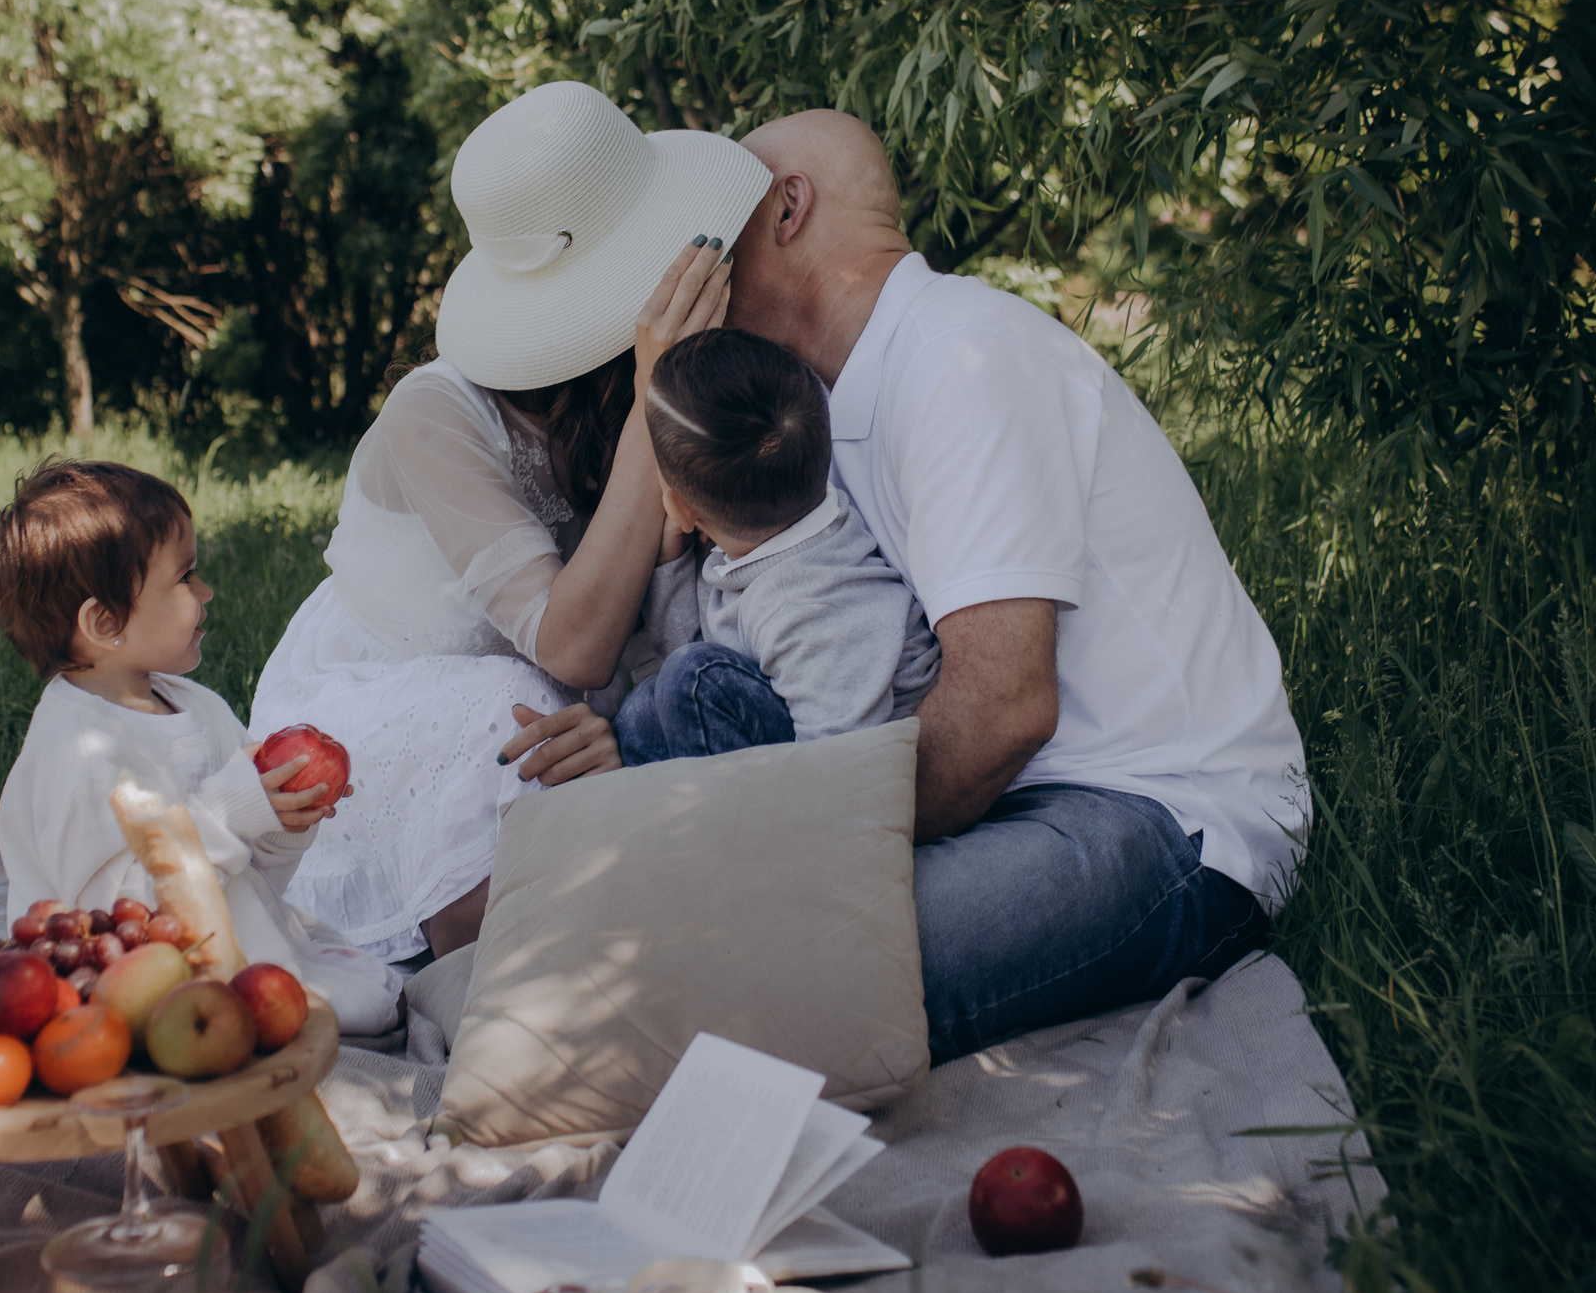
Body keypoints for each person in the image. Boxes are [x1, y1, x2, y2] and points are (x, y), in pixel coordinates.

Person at [728, 110, 1310, 1063]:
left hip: (1169, 816)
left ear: (789, 208)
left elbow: (1003, 709)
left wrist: (815, 847)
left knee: (799, 969)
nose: (701, 253)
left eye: (723, 218)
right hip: (1024, 796)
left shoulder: (961, 357)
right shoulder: (843, 392)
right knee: (733, 924)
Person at [249, 81, 772, 962]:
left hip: (555, 689)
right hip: (393, 690)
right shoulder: (433, 412)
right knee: (512, 714)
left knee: (610, 712)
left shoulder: (616, 388)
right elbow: (572, 649)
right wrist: (655, 397)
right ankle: (485, 947)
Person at [0, 458, 403, 1036]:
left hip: (236, 935)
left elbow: (252, 876)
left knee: (367, 993)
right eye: (185, 577)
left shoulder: (196, 706)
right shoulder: (76, 755)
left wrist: (281, 823)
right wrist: (228, 811)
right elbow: (119, 917)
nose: (207, 591)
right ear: (105, 622)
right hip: (140, 980)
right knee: (341, 1010)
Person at [615, 327, 939, 765]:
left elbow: (842, 762)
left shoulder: (809, 607)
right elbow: (696, 645)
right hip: (799, 716)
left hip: (860, 761)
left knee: (691, 678)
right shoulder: (780, 537)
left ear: (680, 509)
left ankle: (718, 810)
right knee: (643, 710)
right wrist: (671, 561)